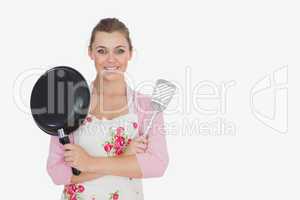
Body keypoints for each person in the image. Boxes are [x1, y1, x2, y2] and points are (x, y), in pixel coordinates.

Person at [46, 18, 169, 200]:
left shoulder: (147, 107)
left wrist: (89, 163)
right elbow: (56, 172)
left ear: (130, 53)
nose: (111, 59)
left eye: (119, 51)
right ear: (90, 53)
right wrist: (124, 158)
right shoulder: (70, 103)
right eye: (101, 51)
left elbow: (157, 165)